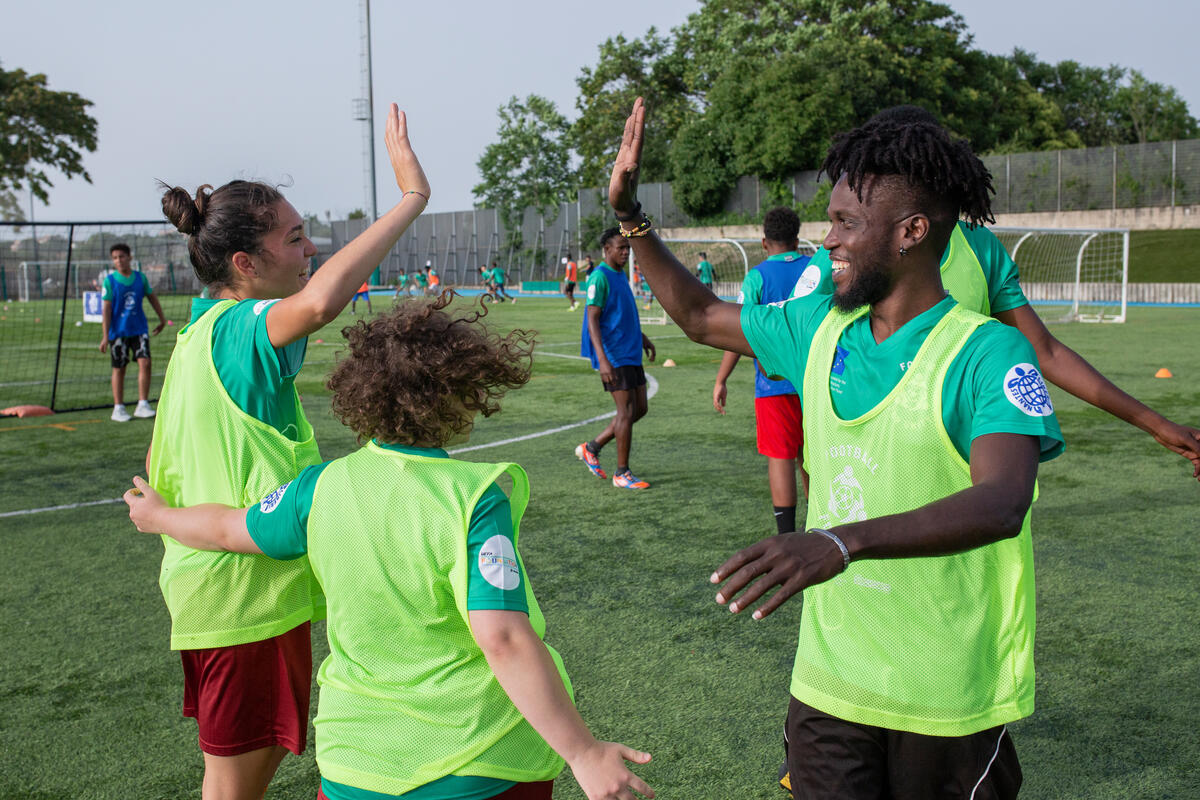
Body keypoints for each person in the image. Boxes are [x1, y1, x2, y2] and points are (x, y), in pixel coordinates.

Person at [610, 97, 1064, 799]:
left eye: (848, 223)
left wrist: (840, 543)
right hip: (830, 684)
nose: (829, 240)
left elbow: (1002, 502)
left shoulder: (987, 353)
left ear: (911, 231)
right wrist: (631, 216)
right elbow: (700, 317)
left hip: (945, 692)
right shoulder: (819, 327)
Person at [126, 295, 654, 800]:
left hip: (356, 764)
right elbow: (503, 639)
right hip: (480, 763)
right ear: (460, 393)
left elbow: (226, 528)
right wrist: (583, 753)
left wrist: (160, 517)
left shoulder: (317, 488)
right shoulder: (472, 498)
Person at [150, 103, 430, 800]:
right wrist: (413, 201)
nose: (311, 251)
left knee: (249, 767)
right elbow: (320, 302)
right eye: (297, 238)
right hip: (243, 595)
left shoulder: (202, 328)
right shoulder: (240, 333)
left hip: (229, 587)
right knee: (235, 783)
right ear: (245, 263)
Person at [796, 105, 1200, 480]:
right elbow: (799, 349)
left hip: (951, 473)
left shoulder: (980, 247)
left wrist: (1156, 424)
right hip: (856, 467)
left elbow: (1045, 351)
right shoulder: (843, 255)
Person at [712, 208, 817, 533]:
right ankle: (823, 524)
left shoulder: (757, 276)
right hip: (814, 379)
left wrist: (721, 379)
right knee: (812, 457)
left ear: (763, 242)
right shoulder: (815, 268)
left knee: (781, 456)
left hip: (774, 385)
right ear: (797, 240)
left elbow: (740, 331)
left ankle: (787, 536)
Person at [576, 228, 656, 490]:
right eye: (620, 248)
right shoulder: (599, 277)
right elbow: (592, 319)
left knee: (640, 408)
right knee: (626, 411)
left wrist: (643, 337)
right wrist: (602, 359)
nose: (625, 252)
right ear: (606, 249)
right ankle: (622, 473)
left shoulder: (620, 275)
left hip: (630, 350)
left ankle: (592, 447)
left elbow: (621, 313)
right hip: (614, 355)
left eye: (627, 248)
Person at [99, 242, 168, 421]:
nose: (118, 260)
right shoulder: (110, 281)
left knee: (145, 363)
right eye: (115, 258)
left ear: (130, 257)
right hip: (118, 332)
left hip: (139, 330)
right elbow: (106, 310)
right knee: (119, 368)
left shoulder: (140, 278)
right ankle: (118, 407)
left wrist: (162, 319)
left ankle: (143, 404)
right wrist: (105, 336)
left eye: (121, 256)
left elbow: (152, 298)